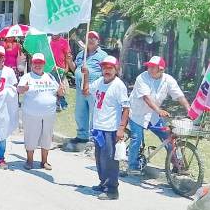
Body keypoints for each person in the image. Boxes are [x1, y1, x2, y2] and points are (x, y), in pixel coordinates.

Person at [127, 56, 191, 176]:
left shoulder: (168, 80)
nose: (150, 69)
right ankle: (132, 166)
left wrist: (189, 109)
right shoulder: (142, 78)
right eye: (149, 66)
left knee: (169, 137)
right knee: (137, 138)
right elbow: (147, 98)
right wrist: (159, 110)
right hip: (137, 114)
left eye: (153, 67)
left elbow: (179, 95)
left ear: (161, 69)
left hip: (154, 117)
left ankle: (177, 165)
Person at [81, 56, 129, 200]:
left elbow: (126, 108)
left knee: (110, 159)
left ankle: (112, 190)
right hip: (99, 127)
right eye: (104, 67)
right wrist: (86, 75)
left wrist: (121, 128)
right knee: (100, 158)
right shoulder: (100, 81)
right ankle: (103, 183)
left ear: (116, 69)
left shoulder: (119, 85)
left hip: (110, 128)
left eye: (110, 68)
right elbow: (86, 91)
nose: (107, 70)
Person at [18, 54, 66, 170]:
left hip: (49, 113)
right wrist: (23, 88)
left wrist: (61, 90)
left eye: (40, 63)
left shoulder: (49, 77)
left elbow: (59, 93)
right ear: (32, 63)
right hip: (31, 113)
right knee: (31, 136)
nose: (37, 65)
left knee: (47, 137)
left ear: (44, 64)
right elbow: (19, 89)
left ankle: (44, 161)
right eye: (35, 63)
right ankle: (29, 160)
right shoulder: (27, 77)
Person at [67, 31, 108, 148]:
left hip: (94, 88)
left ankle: (93, 137)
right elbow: (75, 68)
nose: (90, 39)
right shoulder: (81, 54)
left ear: (98, 41)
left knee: (93, 113)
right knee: (80, 113)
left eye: (93, 38)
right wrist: (70, 61)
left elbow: (106, 72)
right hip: (80, 88)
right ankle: (82, 136)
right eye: (88, 37)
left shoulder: (103, 56)